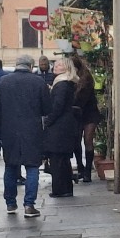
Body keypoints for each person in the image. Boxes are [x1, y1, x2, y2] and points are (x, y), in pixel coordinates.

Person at [0, 55, 50, 217]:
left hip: (9, 131)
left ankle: (10, 203)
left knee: (10, 166)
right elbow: (47, 108)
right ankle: (29, 205)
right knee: (32, 167)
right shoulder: (38, 82)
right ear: (31, 66)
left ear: (17, 65)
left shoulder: (3, 82)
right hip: (32, 131)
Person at [44, 57, 79, 199]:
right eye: (56, 64)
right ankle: (66, 188)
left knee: (57, 158)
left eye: (59, 65)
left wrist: (48, 120)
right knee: (63, 159)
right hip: (65, 125)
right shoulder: (65, 83)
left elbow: (57, 106)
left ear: (66, 68)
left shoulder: (62, 84)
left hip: (59, 127)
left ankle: (59, 189)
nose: (55, 66)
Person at [71, 53, 101, 183]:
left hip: (89, 113)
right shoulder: (72, 78)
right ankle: (81, 169)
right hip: (77, 114)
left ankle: (87, 171)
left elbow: (82, 99)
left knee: (88, 140)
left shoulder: (86, 79)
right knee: (76, 142)